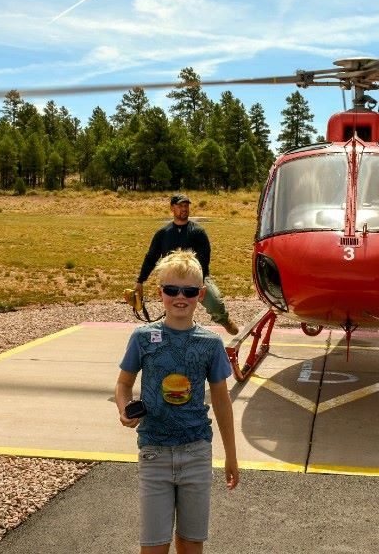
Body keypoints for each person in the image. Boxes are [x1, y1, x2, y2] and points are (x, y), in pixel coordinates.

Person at [116, 249, 239, 554]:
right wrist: (124, 408)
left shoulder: (210, 343)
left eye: (189, 291)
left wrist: (231, 455)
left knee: (191, 542)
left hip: (196, 452)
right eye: (171, 290)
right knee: (154, 545)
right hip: (154, 452)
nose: (180, 297)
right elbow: (123, 383)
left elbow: (222, 401)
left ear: (201, 295)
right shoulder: (143, 338)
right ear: (160, 293)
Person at [135, 194, 239, 335]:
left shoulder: (198, 232)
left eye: (186, 206)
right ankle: (172, 329)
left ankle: (224, 320)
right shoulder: (162, 234)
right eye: (180, 206)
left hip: (196, 277)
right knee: (174, 308)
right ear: (172, 208)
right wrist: (140, 281)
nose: (184, 209)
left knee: (215, 302)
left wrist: (193, 279)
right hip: (172, 280)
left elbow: (204, 261)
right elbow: (151, 258)